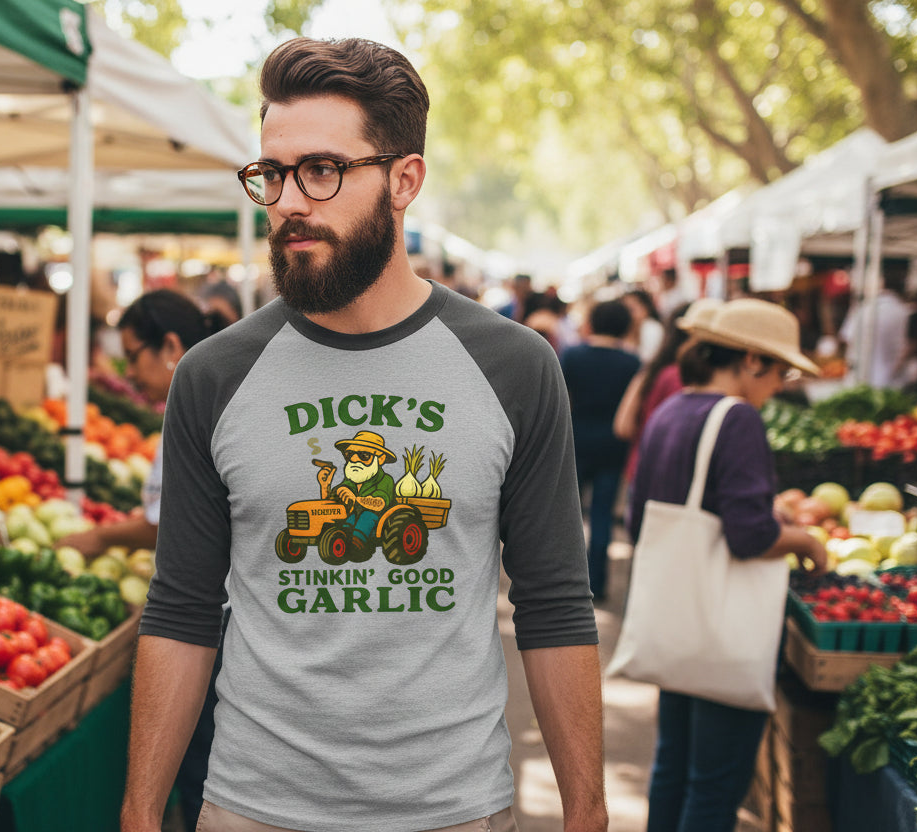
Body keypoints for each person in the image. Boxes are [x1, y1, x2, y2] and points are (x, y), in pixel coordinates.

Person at [122, 36, 606, 832]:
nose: (289, 201)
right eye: (273, 173)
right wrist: (141, 812)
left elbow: (553, 604)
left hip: (454, 809)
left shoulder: (515, 367)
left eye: (322, 170)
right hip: (252, 807)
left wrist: (586, 810)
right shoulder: (212, 376)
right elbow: (181, 608)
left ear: (404, 180)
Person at [627, 298, 828, 832]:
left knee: (672, 768)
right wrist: (806, 542)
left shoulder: (670, 410)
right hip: (723, 634)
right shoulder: (737, 418)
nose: (780, 385)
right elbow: (748, 536)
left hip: (680, 624)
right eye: (780, 370)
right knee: (714, 788)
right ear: (751, 360)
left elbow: (644, 513)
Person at [60, 288, 230, 831]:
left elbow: (167, 525)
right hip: (224, 618)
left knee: (203, 766)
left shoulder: (196, 407)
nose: (128, 372)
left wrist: (99, 539)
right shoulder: (225, 390)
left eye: (133, 355)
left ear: (171, 346)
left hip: (214, 622)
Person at [560, 299, 641, 601]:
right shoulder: (632, 362)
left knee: (569, 513)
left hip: (576, 440)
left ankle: (566, 579)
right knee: (602, 514)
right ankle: (597, 582)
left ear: (592, 322)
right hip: (613, 445)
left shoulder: (572, 355)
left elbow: (562, 399)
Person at [613, 298, 722, 484]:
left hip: (641, 466)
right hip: (670, 477)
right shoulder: (688, 379)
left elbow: (623, 427)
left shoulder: (652, 371)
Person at [839, 260, 912, 388]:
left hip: (862, 378)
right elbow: (909, 348)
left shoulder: (863, 309)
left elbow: (846, 339)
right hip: (894, 382)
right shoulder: (905, 312)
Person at [623, 289, 664, 363]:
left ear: (645, 309)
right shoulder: (625, 328)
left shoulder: (652, 328)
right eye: (624, 309)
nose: (627, 313)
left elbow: (648, 358)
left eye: (631, 309)